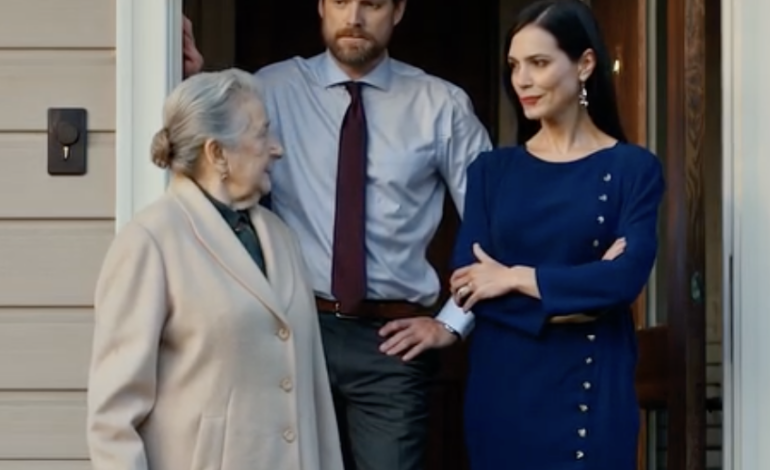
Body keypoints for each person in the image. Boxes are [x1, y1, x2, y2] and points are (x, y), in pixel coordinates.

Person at [249, 0, 492, 468]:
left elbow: (494, 229)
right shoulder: (269, 91)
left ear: (398, 11)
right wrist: (187, 73)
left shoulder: (441, 105)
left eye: (373, 4)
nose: (354, 18)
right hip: (293, 332)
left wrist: (452, 322)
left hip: (391, 344)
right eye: (341, 1)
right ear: (321, 6)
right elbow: (211, 169)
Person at [86, 69, 343, 470]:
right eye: (263, 133)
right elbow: (113, 417)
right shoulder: (151, 241)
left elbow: (314, 397)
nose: (277, 149)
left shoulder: (280, 237)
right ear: (217, 153)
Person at [448, 0, 665, 468]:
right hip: (502, 393)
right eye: (514, 65)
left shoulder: (633, 169)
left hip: (591, 390)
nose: (522, 80)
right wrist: (580, 297)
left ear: (584, 64)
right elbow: (468, 286)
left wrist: (514, 277)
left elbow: (624, 280)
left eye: (539, 63)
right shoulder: (491, 171)